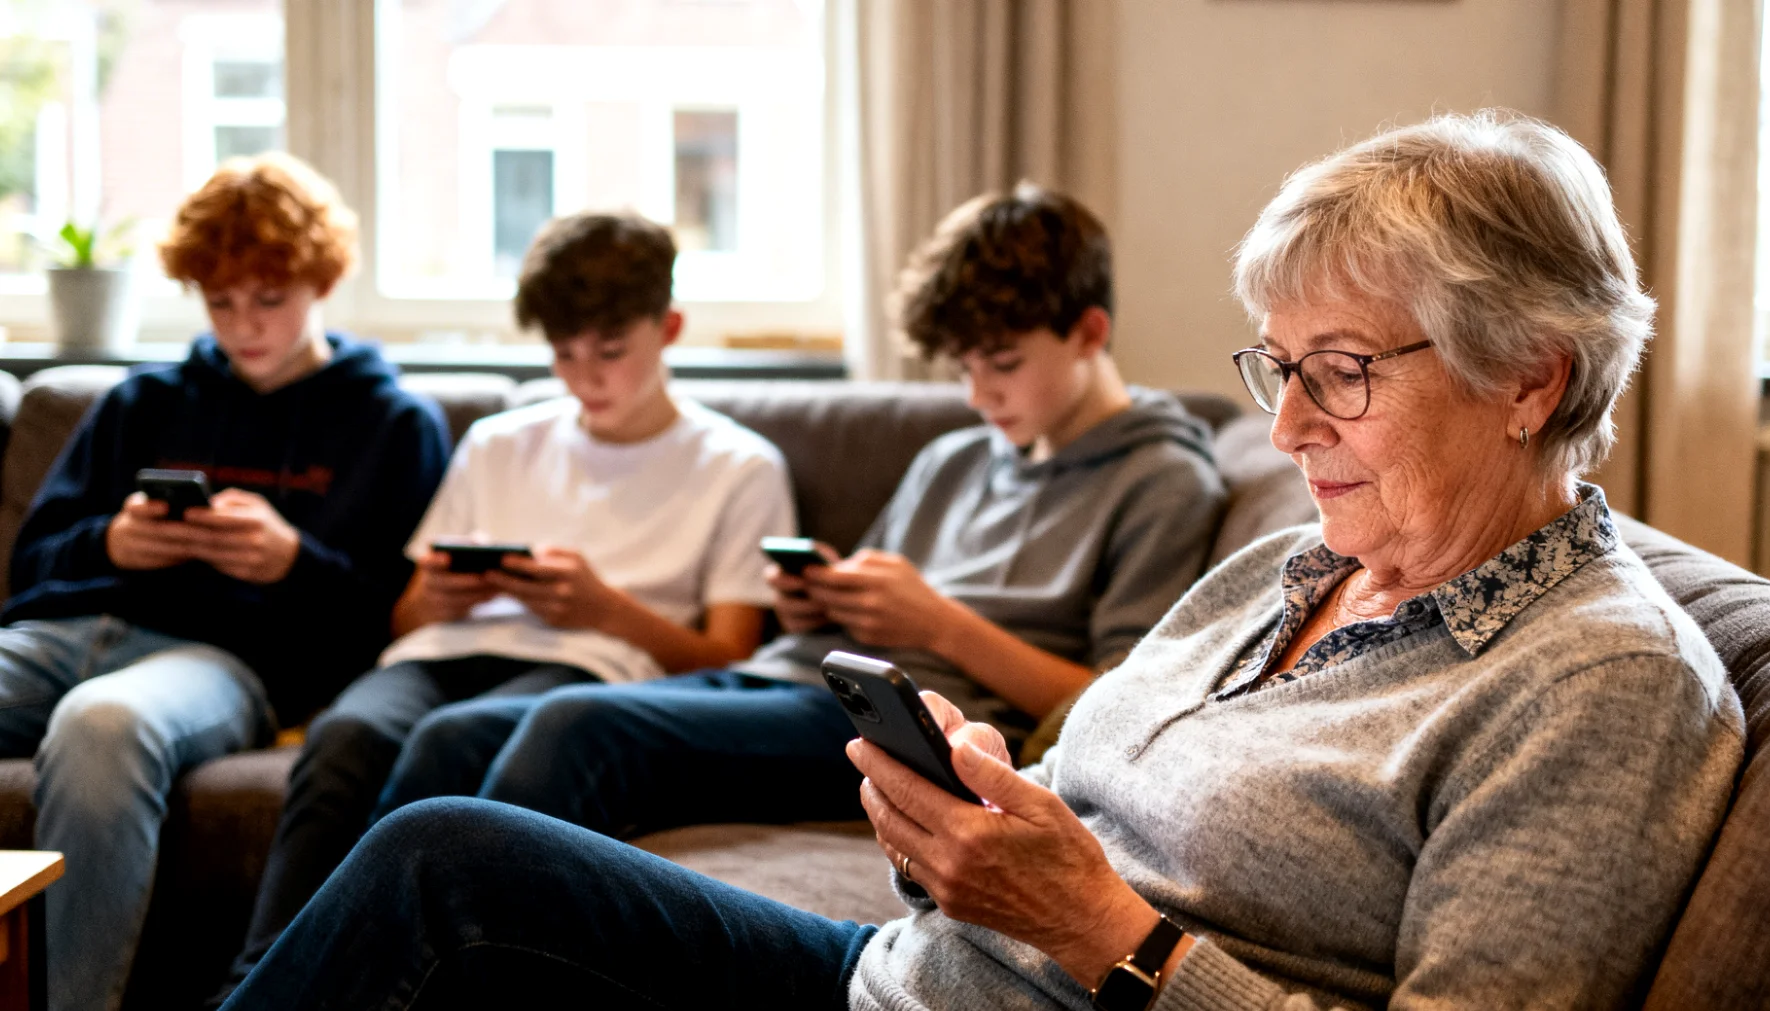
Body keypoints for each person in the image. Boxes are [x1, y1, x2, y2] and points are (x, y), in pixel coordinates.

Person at [221, 111, 1747, 1011]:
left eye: (1338, 369)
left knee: (454, 871)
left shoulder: (1600, 686)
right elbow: (1064, 791)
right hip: (904, 970)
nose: (1282, 426)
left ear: (1531, 373)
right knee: (449, 854)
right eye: (1272, 364)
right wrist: (945, 816)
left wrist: (1107, 932)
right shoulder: (1286, 571)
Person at [361, 184, 1227, 846]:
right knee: (451, 737)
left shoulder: (1161, 480)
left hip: (905, 726)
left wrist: (939, 623)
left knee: (577, 724)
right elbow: (865, 615)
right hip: (798, 676)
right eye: (962, 365)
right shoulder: (957, 455)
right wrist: (825, 600)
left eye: (1001, 361)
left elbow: (1117, 706)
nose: (977, 393)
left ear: (1089, 330)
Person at [208, 210, 795, 1004]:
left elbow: (733, 658)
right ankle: (256, 985)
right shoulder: (499, 440)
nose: (587, 376)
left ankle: (358, 978)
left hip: (584, 660)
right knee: (346, 733)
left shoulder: (739, 465)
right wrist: (439, 595)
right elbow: (407, 620)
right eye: (563, 353)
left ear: (671, 327)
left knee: (455, 738)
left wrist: (603, 607)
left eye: (611, 352)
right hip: (444, 649)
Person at [0, 153, 450, 1011]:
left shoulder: (390, 423)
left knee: (103, 724)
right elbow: (30, 565)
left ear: (321, 281)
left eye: (269, 299)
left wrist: (292, 564)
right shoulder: (144, 401)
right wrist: (113, 544)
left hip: (218, 659)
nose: (243, 324)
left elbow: (395, 630)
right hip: (65, 633)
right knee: (87, 697)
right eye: (219, 300)